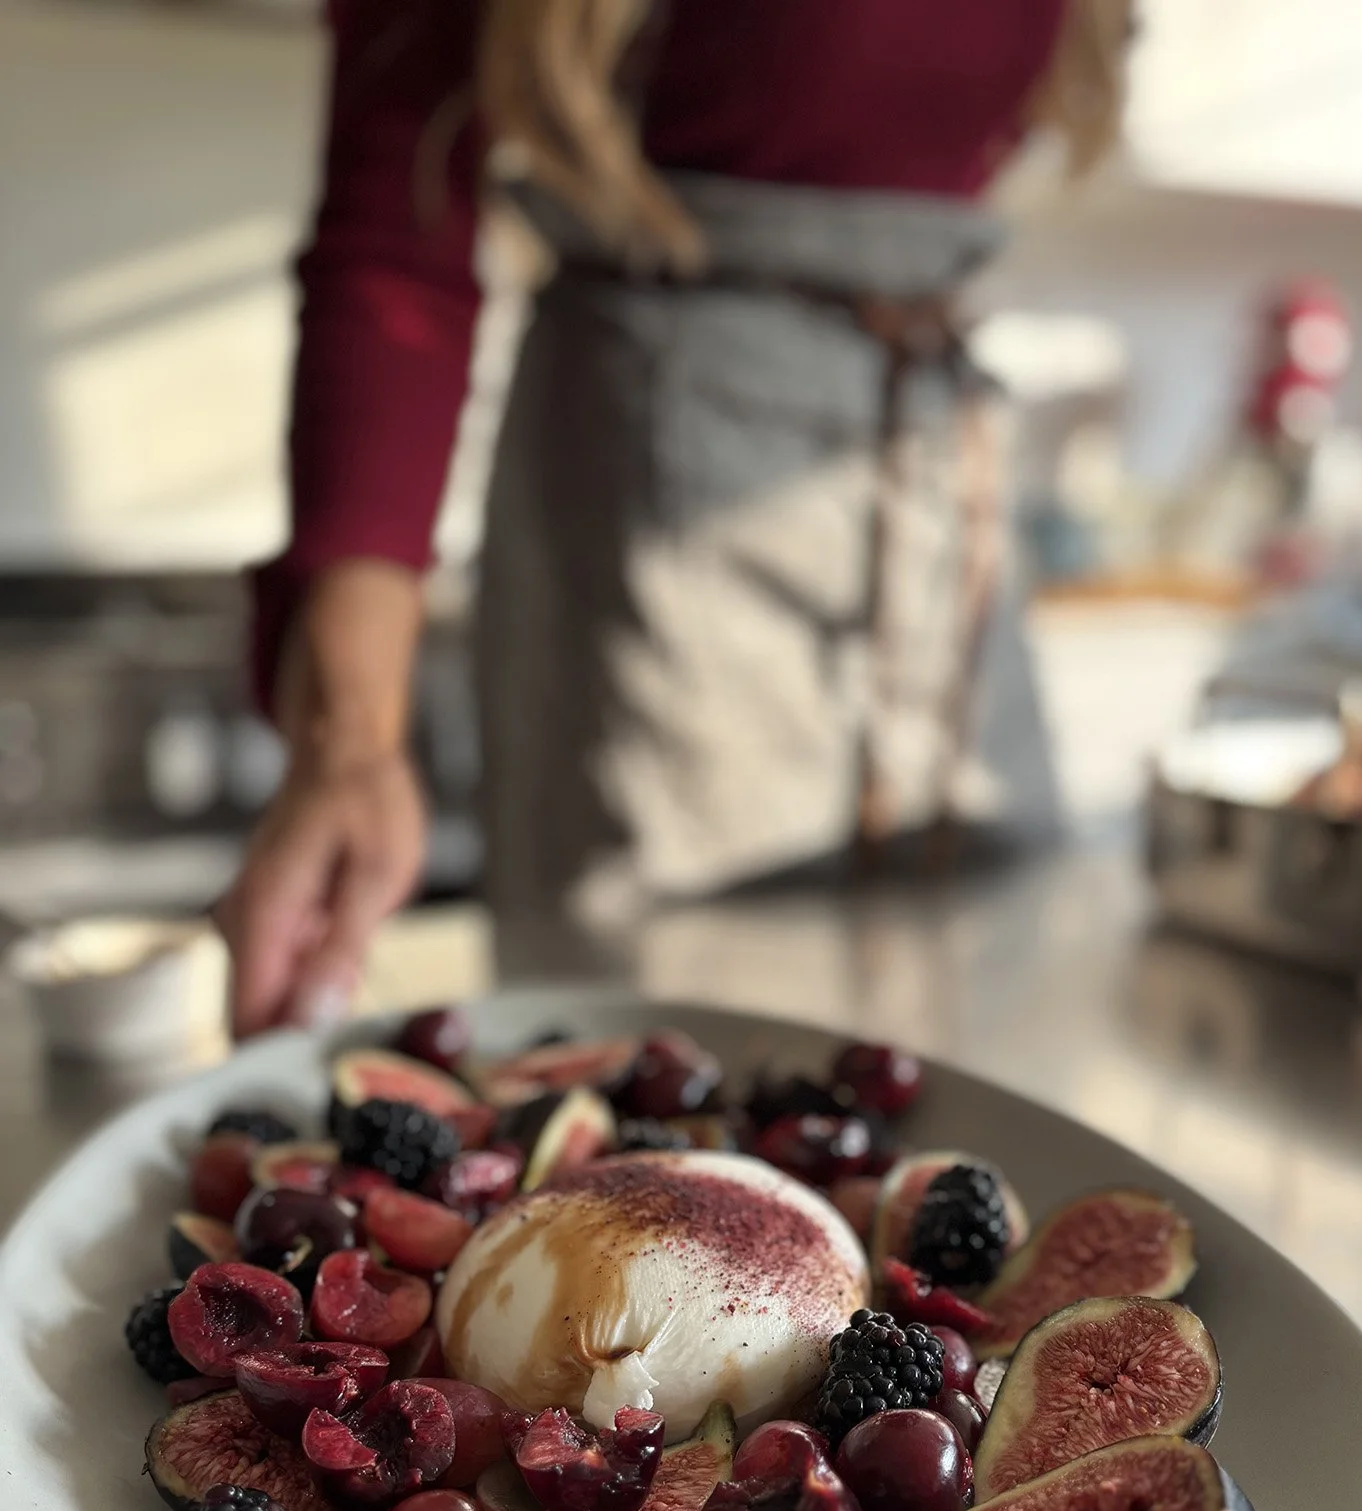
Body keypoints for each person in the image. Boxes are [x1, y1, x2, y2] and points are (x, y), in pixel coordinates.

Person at [217, 0, 1133, 1038]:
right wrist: (353, 738)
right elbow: (399, 233)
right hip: (659, 490)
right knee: (666, 1061)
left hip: (939, 474)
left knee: (996, 1014)